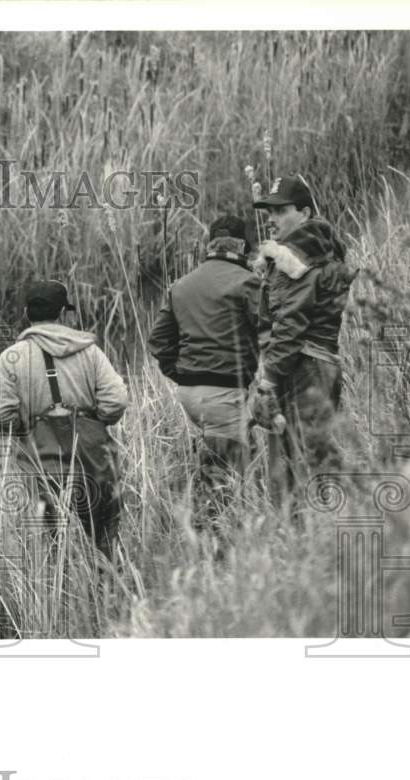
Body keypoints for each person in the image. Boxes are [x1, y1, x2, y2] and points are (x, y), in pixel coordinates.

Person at [0, 280, 129, 560]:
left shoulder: (10, 358)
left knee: (48, 542)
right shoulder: (90, 352)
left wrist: (27, 426)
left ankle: (55, 597)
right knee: (103, 535)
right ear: (64, 313)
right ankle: (106, 593)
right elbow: (116, 401)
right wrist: (93, 420)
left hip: (40, 459)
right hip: (92, 456)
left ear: (27, 313)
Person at [148, 215, 262, 534]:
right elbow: (270, 331)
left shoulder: (181, 285)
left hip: (189, 394)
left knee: (229, 457)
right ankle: (215, 549)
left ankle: (220, 532)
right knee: (223, 478)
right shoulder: (247, 282)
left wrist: (182, 373)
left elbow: (158, 341)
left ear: (210, 245)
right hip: (224, 392)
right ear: (242, 247)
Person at [249, 175, 356, 508]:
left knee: (301, 464)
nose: (270, 218)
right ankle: (322, 532)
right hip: (319, 365)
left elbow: (290, 325)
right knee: (314, 457)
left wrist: (267, 382)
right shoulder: (315, 251)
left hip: (304, 368)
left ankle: (317, 537)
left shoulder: (296, 261)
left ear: (305, 213)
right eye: (268, 210)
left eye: (281, 210)